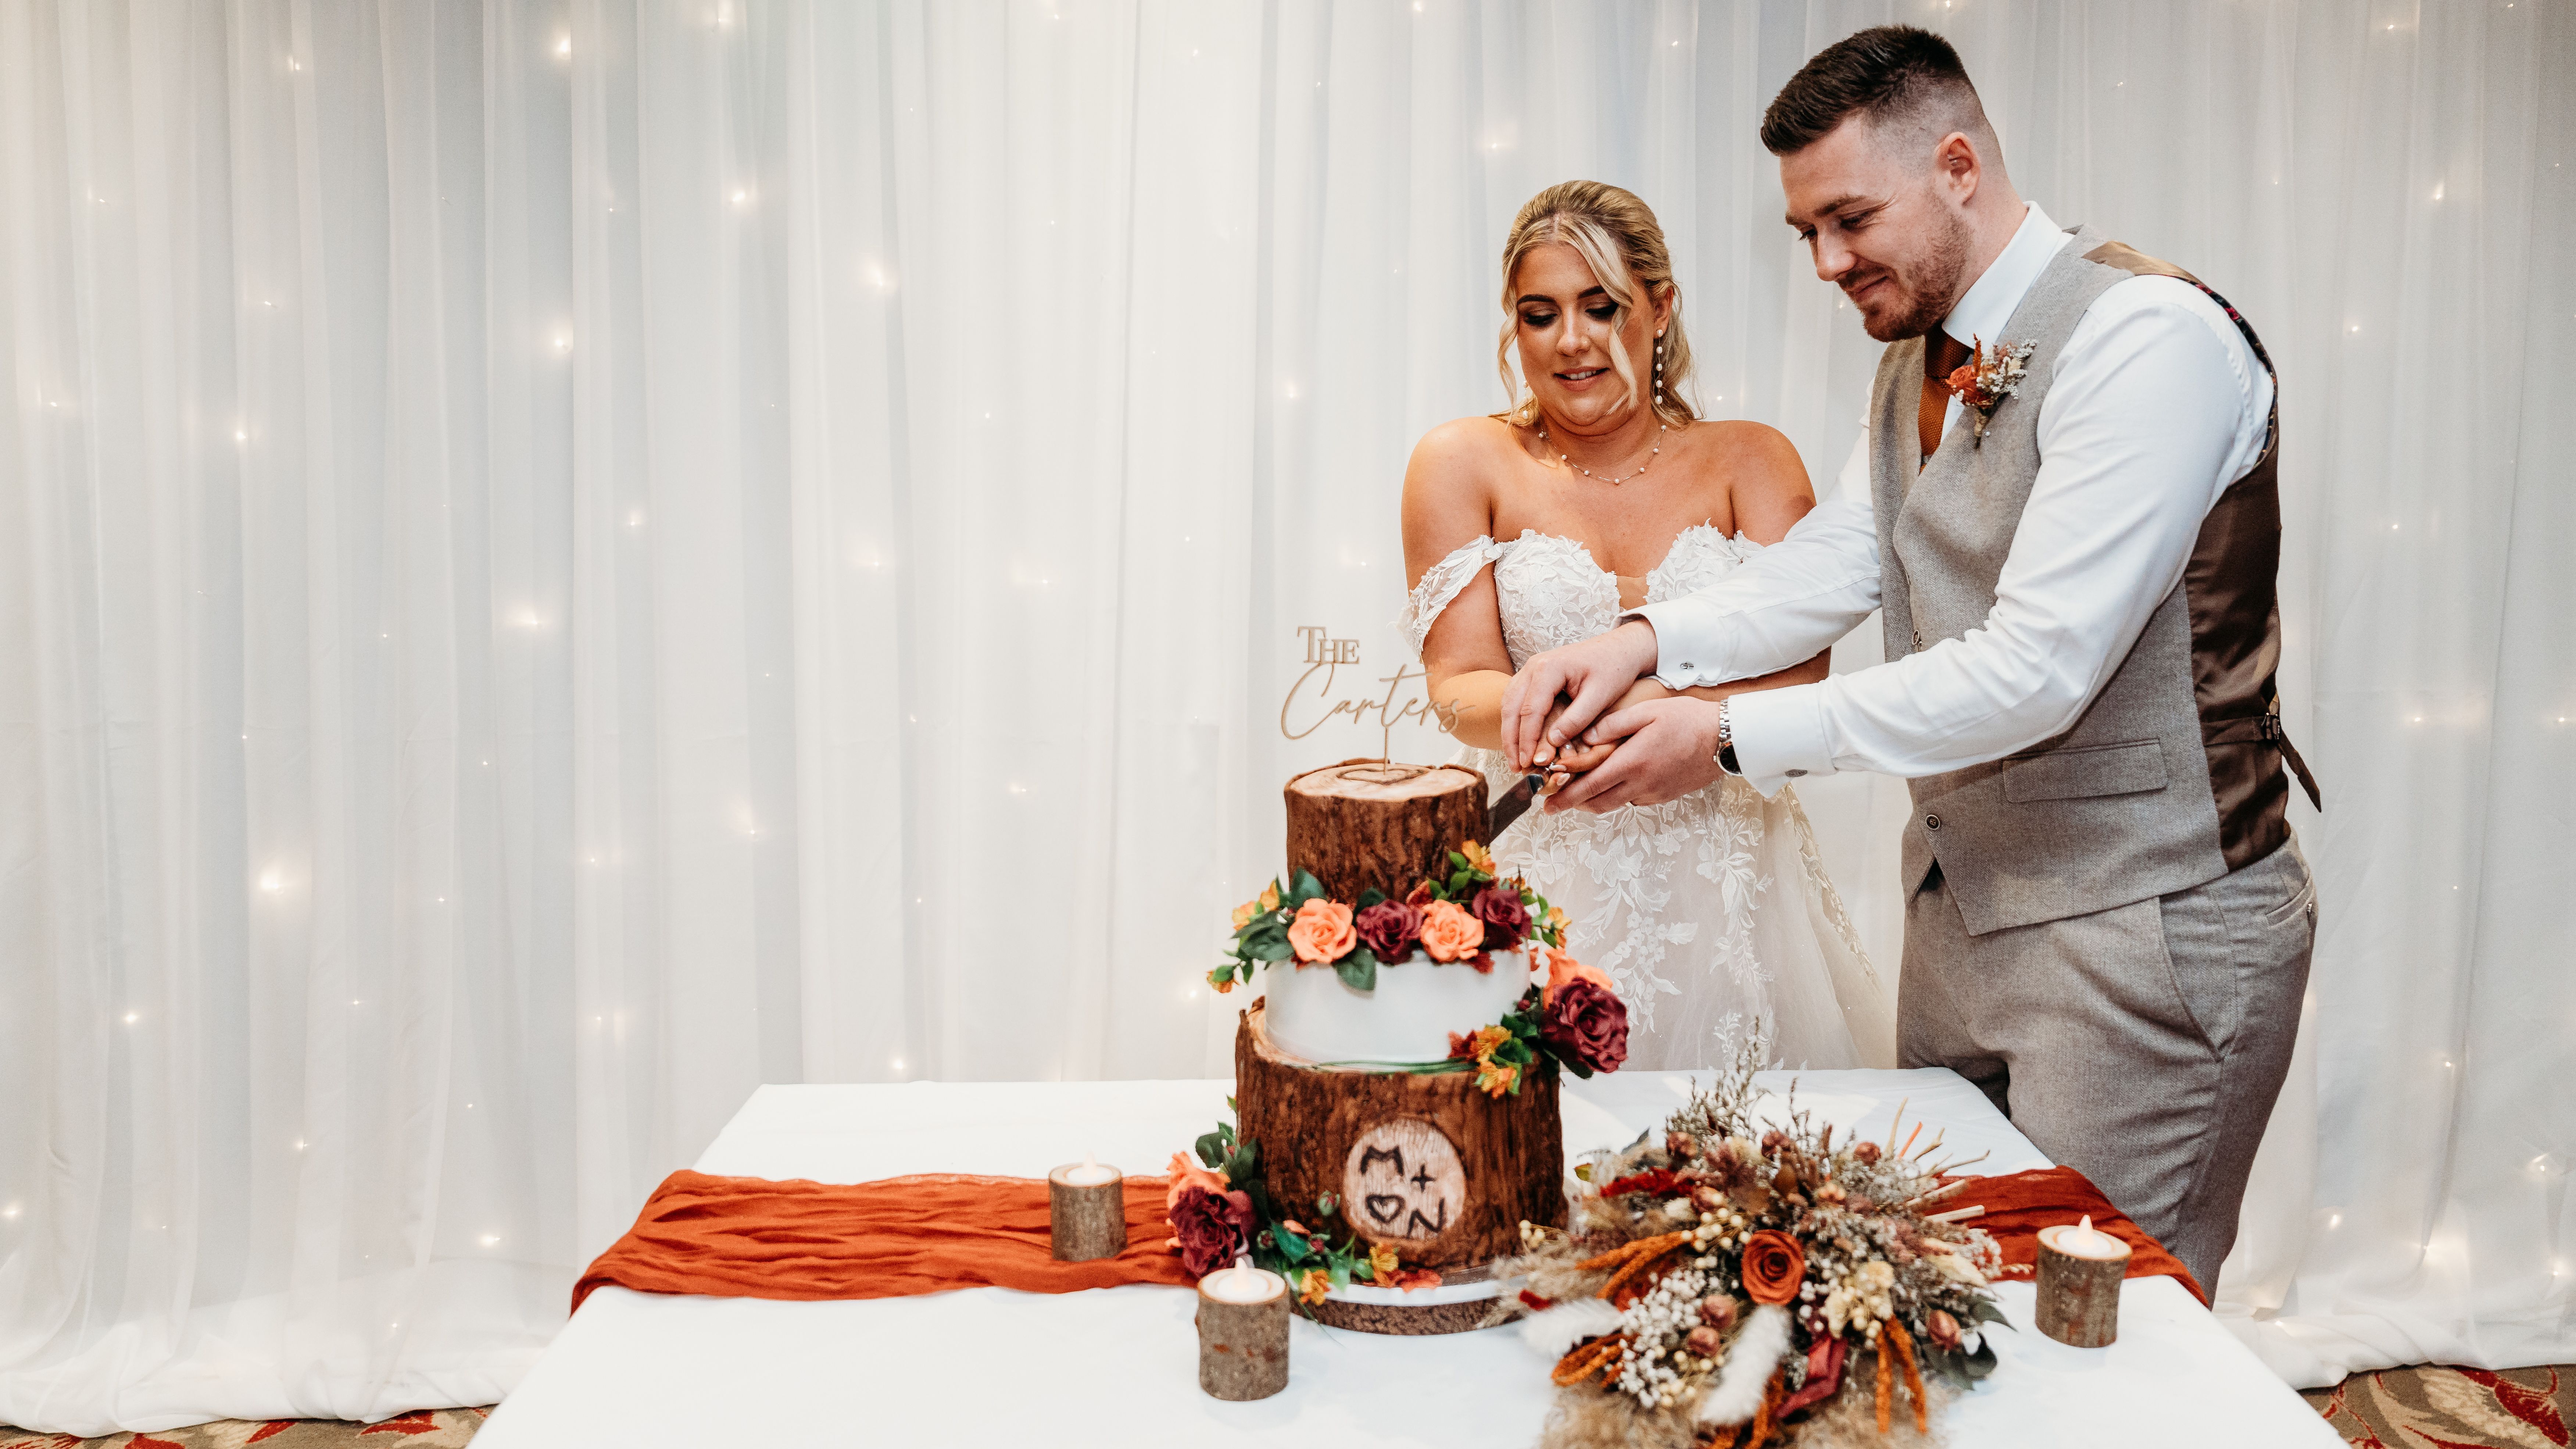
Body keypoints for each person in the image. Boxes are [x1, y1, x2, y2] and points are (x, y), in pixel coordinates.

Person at [1498, 28, 2320, 1296]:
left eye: (1847, 220)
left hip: (2142, 934)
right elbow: (1838, 563)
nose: (1826, 263)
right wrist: (1639, 642)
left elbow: (2031, 670)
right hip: (1960, 923)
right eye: (1802, 233)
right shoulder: (1912, 361)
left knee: (2098, 1340)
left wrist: (1717, 735)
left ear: (1952, 165)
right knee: (1942, 1315)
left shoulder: (2144, 340)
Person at [1401, 179, 1895, 1073]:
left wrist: (1673, 715)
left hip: (1731, 878)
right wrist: (1552, 716)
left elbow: (1800, 668)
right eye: (1540, 314)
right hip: (1542, 862)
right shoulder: (1464, 461)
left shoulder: (1751, 457)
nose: (1573, 340)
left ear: (1660, 307)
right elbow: (1457, 683)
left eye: (1602, 306)